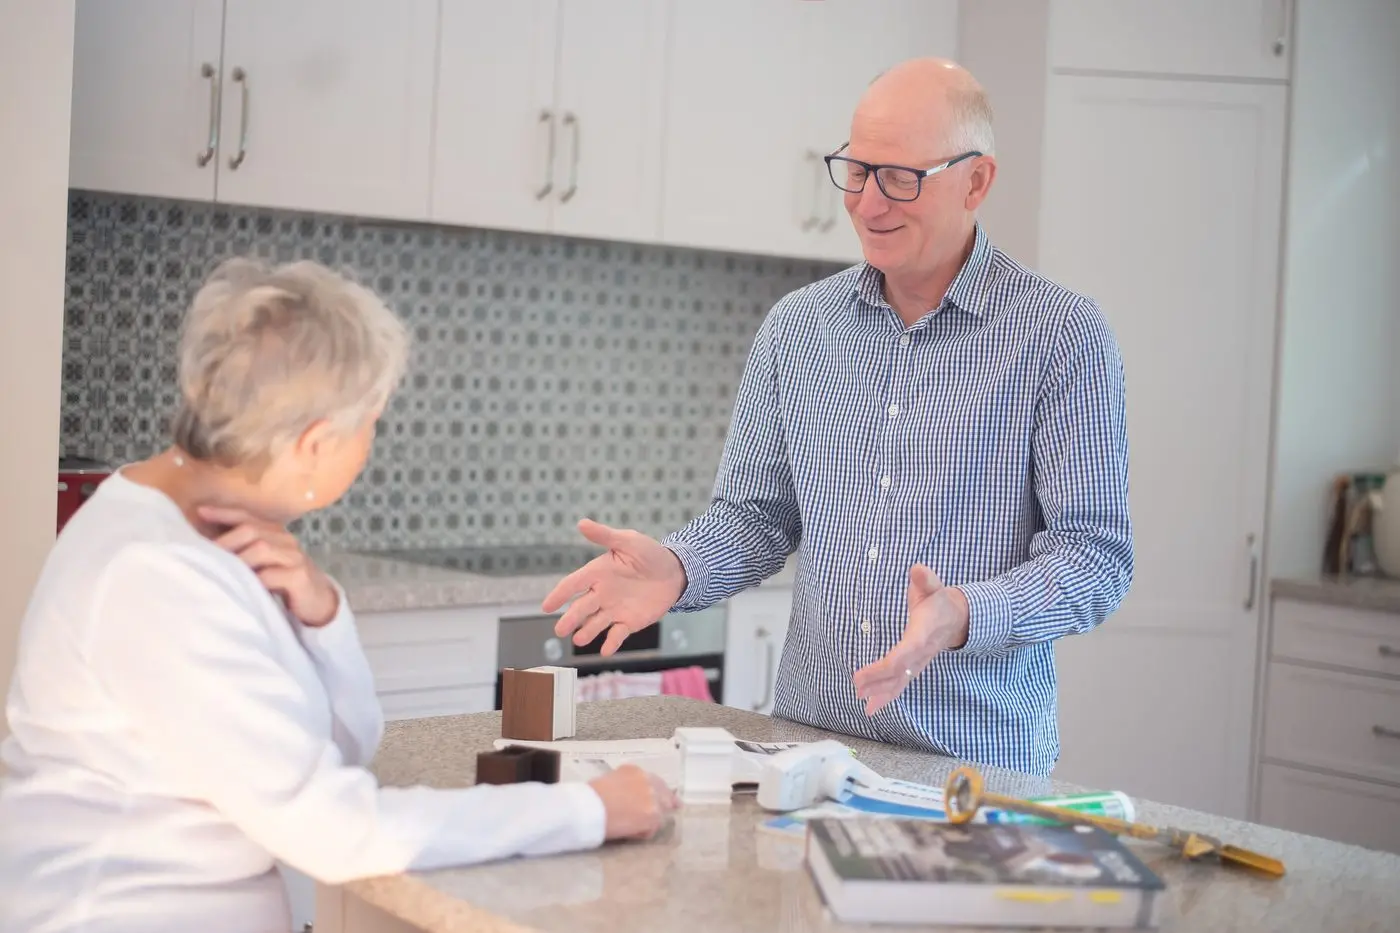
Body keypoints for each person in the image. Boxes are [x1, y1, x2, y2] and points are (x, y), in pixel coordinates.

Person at [0, 259, 676, 933]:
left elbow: (345, 747)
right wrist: (587, 809)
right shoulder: (157, 576)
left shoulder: (196, 529)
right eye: (371, 423)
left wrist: (321, 615)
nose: (369, 445)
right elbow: (332, 826)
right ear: (316, 443)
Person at [543, 58, 1132, 778]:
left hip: (976, 767)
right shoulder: (798, 327)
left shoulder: (1063, 335)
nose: (869, 203)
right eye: (856, 171)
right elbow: (756, 519)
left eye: (901, 178)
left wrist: (963, 614)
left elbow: (1094, 557)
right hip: (806, 754)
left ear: (977, 182)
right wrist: (680, 565)